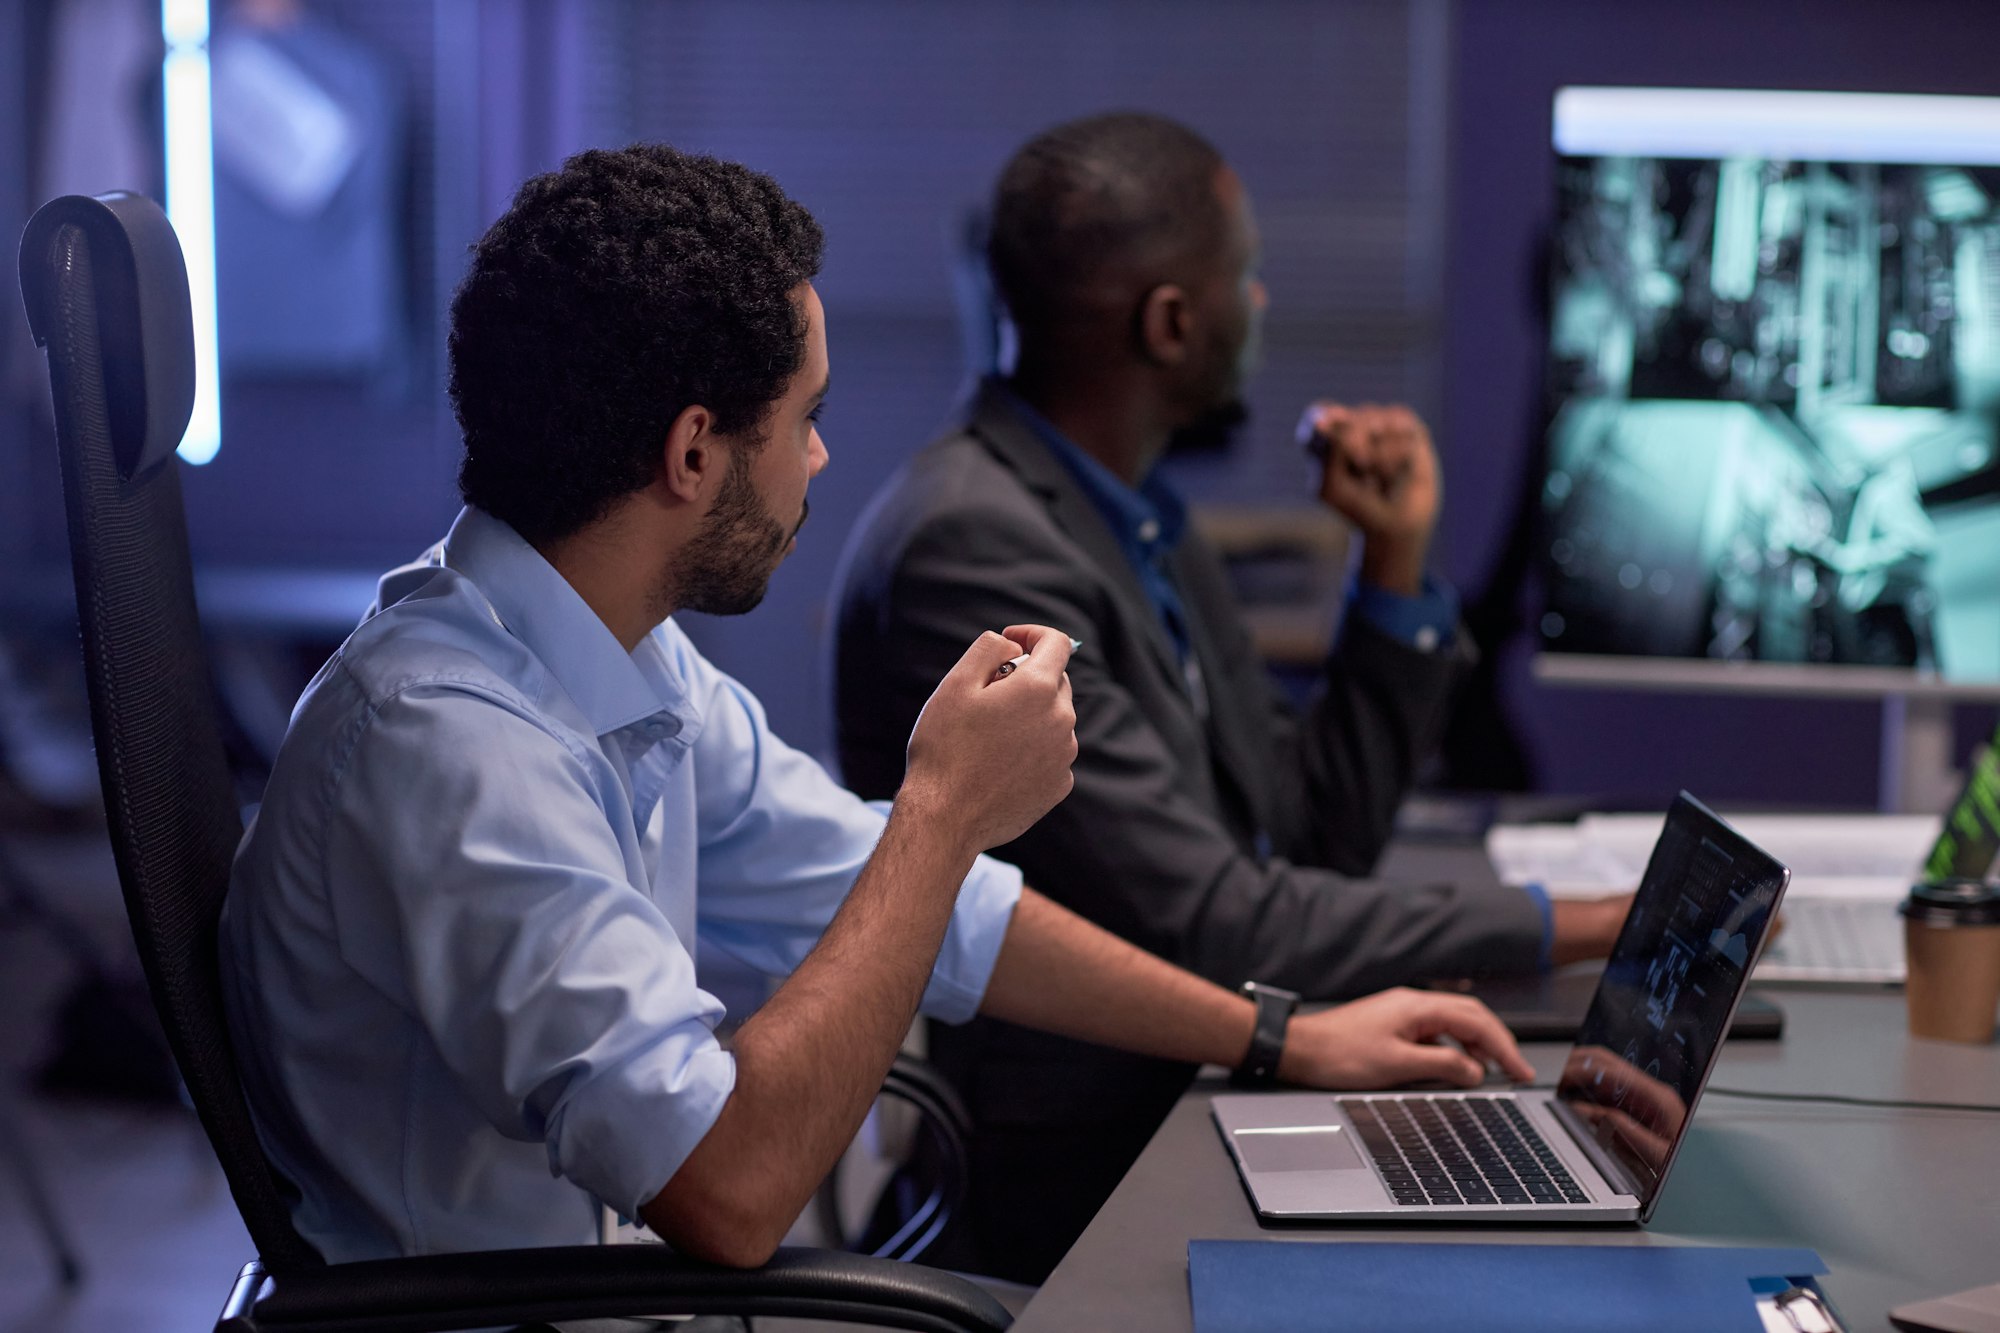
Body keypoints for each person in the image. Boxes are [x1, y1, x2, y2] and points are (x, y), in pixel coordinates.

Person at [217, 143, 1535, 1270]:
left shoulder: (612, 656)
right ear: (691, 455)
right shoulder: (449, 750)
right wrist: (947, 805)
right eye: (807, 420)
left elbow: (933, 909)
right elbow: (729, 1190)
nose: (822, 458)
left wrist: (1273, 1032)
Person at [829, 112, 1628, 1280]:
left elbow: (1313, 838)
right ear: (1170, 322)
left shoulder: (1133, 519)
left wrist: (1392, 569)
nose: (1259, 302)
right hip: (1077, 1184)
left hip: (1193, 1100)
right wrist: (1579, 919)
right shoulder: (977, 546)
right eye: (1243, 276)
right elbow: (1224, 924)